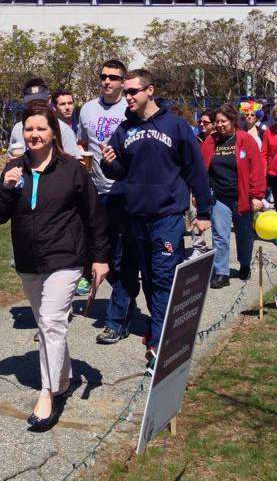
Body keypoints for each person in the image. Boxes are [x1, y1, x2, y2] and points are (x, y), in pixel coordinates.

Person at [0, 101, 108, 430]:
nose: (35, 135)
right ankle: (65, 377)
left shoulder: (72, 170)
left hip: (66, 257)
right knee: (46, 323)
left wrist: (100, 258)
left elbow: (94, 215)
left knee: (52, 322)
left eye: (41, 128)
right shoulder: (14, 167)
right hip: (29, 260)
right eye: (29, 129)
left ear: (54, 132)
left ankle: (48, 393)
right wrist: (8, 189)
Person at [99, 69, 212, 372]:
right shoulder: (124, 130)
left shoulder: (175, 126)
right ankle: (158, 328)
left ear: (150, 90)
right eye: (126, 93)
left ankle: (161, 347)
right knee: (147, 277)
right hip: (133, 216)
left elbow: (195, 170)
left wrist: (204, 212)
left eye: (133, 91)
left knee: (163, 278)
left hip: (167, 217)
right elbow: (121, 173)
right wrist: (110, 163)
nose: (129, 97)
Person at [76, 60, 131, 344]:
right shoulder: (87, 109)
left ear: (123, 81)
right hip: (94, 190)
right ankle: (126, 301)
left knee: (116, 257)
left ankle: (116, 320)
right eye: (103, 77)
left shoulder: (129, 108)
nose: (107, 81)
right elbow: (82, 143)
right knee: (95, 253)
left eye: (113, 77)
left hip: (122, 191)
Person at [200, 103, 265, 288]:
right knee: (220, 235)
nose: (219, 125)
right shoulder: (211, 141)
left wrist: (257, 195)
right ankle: (221, 272)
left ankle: (245, 263)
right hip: (220, 196)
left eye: (223, 121)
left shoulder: (245, 140)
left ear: (233, 121)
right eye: (217, 122)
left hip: (243, 197)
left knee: (244, 235)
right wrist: (200, 193)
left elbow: (257, 170)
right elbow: (202, 169)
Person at [9, 79, 81, 158]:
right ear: (25, 102)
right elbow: (10, 157)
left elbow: (73, 164)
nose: (36, 106)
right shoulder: (18, 128)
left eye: (41, 102)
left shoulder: (64, 130)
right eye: (32, 102)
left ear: (49, 101)